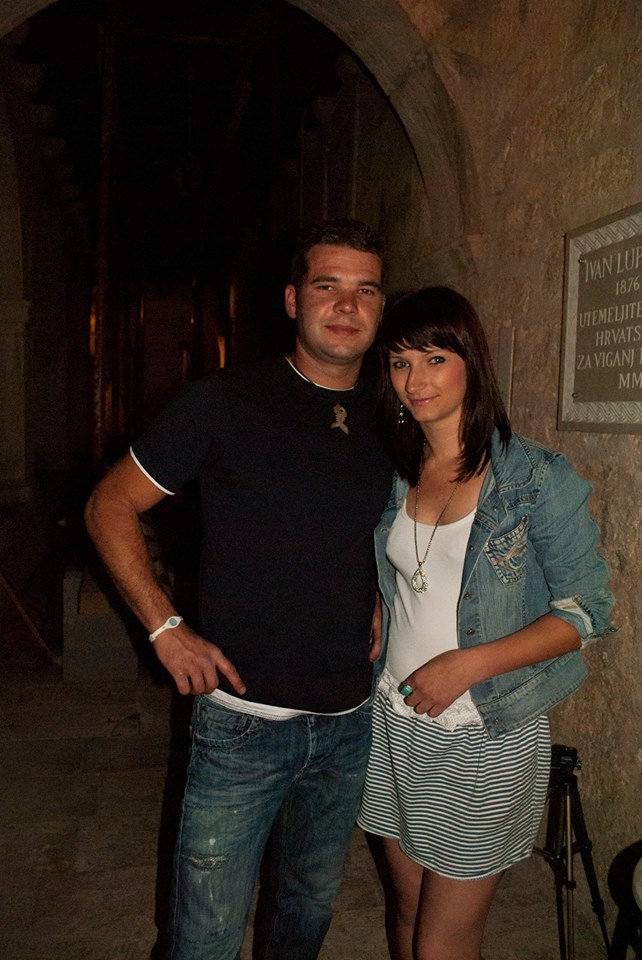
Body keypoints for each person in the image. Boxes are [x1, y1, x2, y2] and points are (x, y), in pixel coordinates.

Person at [84, 218, 393, 960]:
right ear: (292, 299)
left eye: (366, 290)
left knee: (305, 915)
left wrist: (382, 591)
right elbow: (109, 506)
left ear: (382, 307)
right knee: (206, 935)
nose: (346, 305)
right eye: (327, 286)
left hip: (349, 721)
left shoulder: (394, 413)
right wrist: (165, 627)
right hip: (242, 724)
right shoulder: (222, 403)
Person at [357, 286, 615, 960]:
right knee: (408, 912)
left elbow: (587, 612)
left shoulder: (536, 479)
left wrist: (465, 666)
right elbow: (407, 569)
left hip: (484, 732)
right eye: (400, 362)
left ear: (471, 361)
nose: (415, 380)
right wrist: (380, 605)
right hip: (395, 722)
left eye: (435, 359)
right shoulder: (395, 471)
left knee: (443, 941)